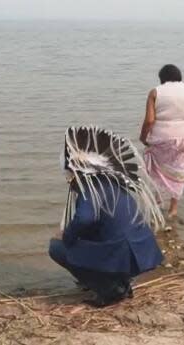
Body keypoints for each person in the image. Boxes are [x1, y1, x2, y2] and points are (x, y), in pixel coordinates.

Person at [49, 126, 164, 307]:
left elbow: (85, 218)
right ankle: (119, 282)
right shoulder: (113, 179)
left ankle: (109, 290)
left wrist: (67, 236)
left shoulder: (90, 186)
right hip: (141, 251)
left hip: (123, 252)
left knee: (56, 248)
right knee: (87, 238)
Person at [140, 64, 184, 218]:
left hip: (161, 137)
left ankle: (157, 202)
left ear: (161, 78)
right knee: (179, 169)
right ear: (179, 77)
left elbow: (150, 120)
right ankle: (173, 209)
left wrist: (143, 138)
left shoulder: (155, 92)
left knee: (155, 167)